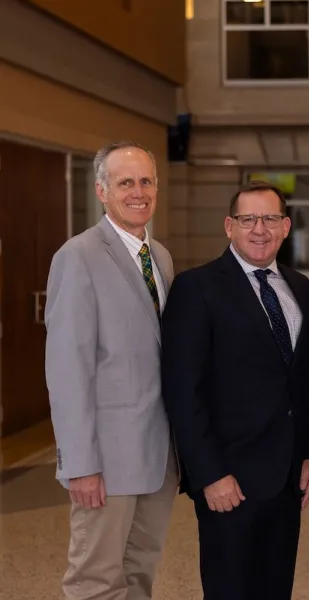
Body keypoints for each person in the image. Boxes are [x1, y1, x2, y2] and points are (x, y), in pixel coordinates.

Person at [160, 181, 309, 600]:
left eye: (270, 218)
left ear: (286, 227)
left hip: (287, 477)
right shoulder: (197, 288)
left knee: (275, 588)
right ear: (229, 226)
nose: (260, 229)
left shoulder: (298, 287)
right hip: (227, 479)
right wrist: (209, 473)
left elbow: (307, 378)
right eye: (248, 219)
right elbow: (183, 390)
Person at [44, 141, 179, 599]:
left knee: (139, 575)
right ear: (102, 191)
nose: (137, 191)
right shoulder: (77, 256)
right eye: (125, 182)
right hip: (106, 462)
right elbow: (67, 370)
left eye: (146, 181)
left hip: (158, 458)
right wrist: (79, 463)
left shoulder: (159, 257)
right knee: (96, 582)